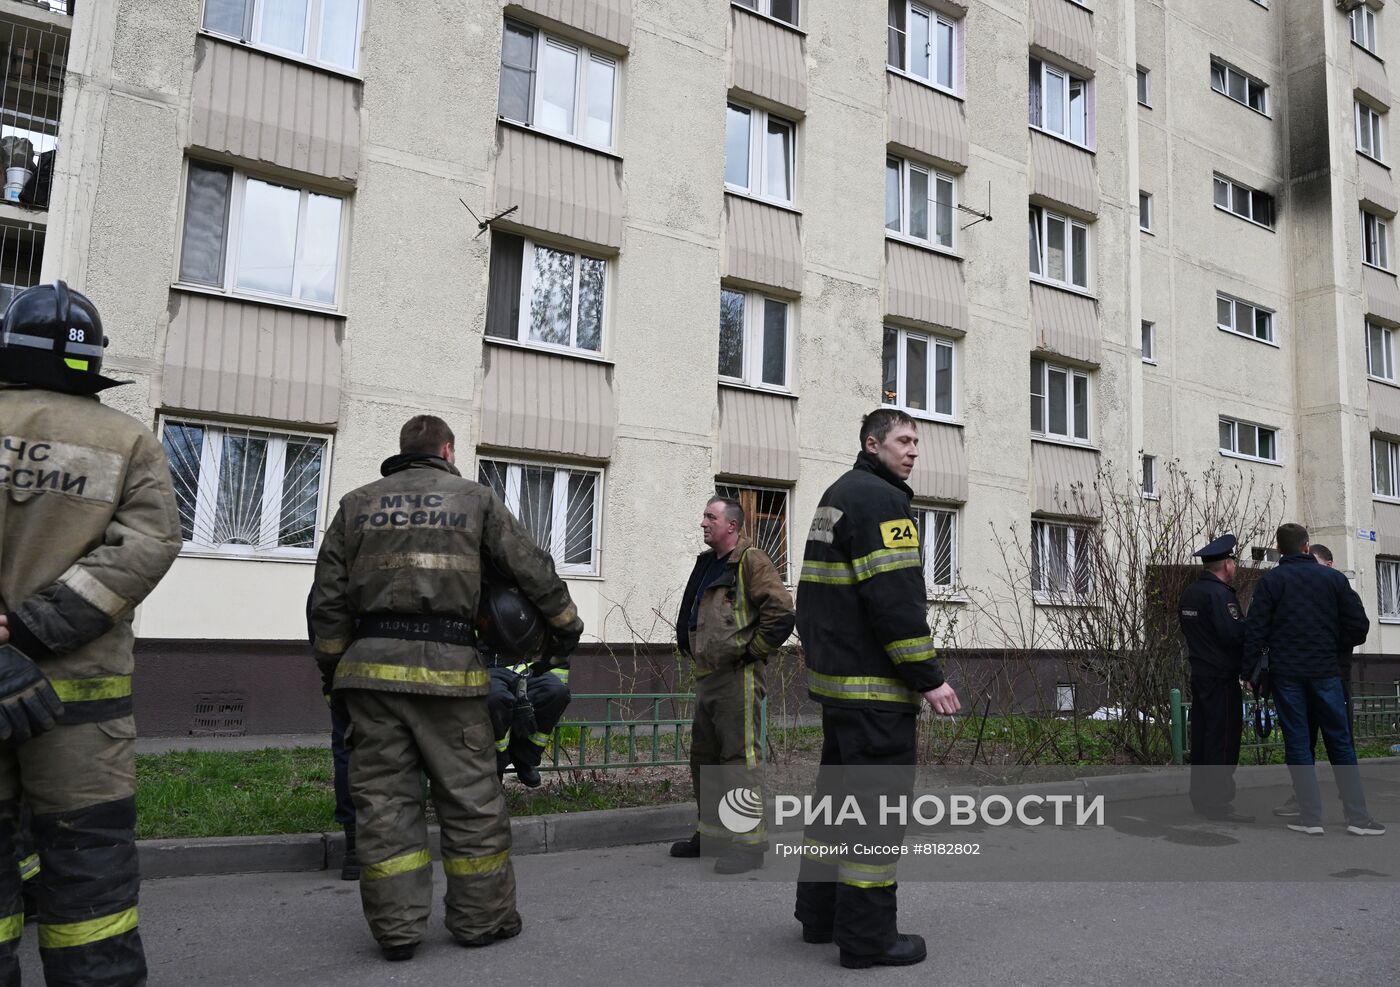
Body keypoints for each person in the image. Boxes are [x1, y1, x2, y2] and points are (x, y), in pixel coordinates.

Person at [310, 415, 584, 961]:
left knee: (385, 807)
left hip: (370, 676)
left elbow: (326, 600)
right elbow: (531, 569)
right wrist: (565, 628)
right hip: (449, 676)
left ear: (402, 452)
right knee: (471, 802)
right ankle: (482, 920)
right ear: (448, 451)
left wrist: (334, 673)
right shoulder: (475, 500)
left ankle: (397, 932)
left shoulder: (356, 504)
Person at [0, 281, 183, 985]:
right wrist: (33, 629)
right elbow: (149, 544)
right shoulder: (128, 440)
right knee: (91, 885)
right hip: (83, 704)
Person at [793, 408, 960, 970]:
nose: (913, 451)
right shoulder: (882, 502)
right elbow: (894, 601)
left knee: (833, 807)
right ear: (873, 443)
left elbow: (815, 597)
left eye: (917, 441)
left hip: (838, 687)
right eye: (903, 441)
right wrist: (929, 676)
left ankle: (819, 917)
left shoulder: (838, 493)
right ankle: (866, 940)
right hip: (875, 694)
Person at [670, 495, 795, 874]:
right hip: (708, 675)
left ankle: (749, 843)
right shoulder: (709, 563)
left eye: (711, 517)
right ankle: (713, 834)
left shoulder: (750, 561)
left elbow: (782, 612)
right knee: (706, 760)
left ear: (732, 526)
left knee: (738, 761)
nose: (703, 523)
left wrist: (750, 651)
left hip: (737, 676)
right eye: (704, 516)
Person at [1243, 523, 1384, 836]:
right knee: (1340, 742)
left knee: (1298, 742)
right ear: (1307, 547)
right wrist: (1333, 647)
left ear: (1280, 550)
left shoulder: (1271, 582)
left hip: (1287, 674)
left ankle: (1311, 818)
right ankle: (1358, 818)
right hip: (1327, 672)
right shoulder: (1333, 580)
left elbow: (1255, 630)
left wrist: (1249, 672)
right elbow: (1358, 626)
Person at [1271, 543, 1355, 819]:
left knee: (1339, 741)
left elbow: (1357, 628)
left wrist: (1330, 648)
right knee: (1301, 741)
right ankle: (1302, 798)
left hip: (1333, 676)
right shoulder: (1303, 593)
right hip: (1306, 676)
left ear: (1328, 565)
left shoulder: (1339, 591)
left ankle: (1349, 803)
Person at [1176, 533, 1251, 822]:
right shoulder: (1221, 596)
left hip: (1201, 674)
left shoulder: (1190, 593)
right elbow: (1233, 635)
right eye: (1233, 560)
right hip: (1222, 678)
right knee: (1222, 740)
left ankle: (1202, 799)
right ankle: (1218, 802)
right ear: (1227, 565)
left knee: (1204, 738)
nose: (1234, 565)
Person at [306, 590, 358, 879]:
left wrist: (331, 680)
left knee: (348, 749)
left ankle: (356, 847)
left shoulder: (343, 550)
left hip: (347, 673)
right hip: (406, 671)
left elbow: (320, 615)